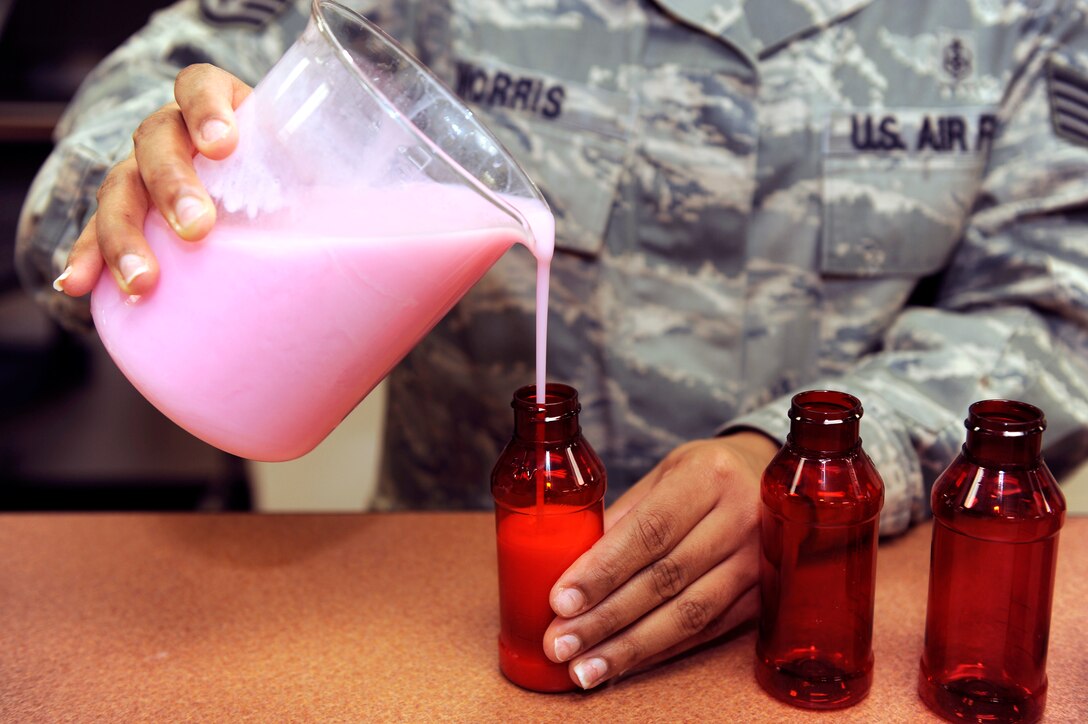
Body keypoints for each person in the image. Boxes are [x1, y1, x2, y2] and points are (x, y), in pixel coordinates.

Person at [15, 0, 1088, 691]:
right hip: (427, 618)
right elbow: (192, 63)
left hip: (822, 610)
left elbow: (1052, 305)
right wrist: (142, 173)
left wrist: (802, 466)